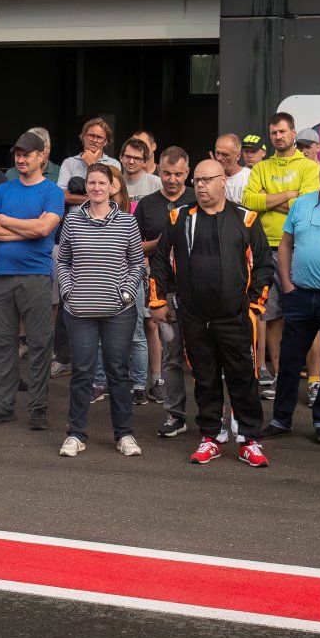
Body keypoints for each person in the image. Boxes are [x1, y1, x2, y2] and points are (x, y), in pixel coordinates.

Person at [148, 159, 271, 467]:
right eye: (197, 181)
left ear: (222, 182)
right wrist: (158, 301)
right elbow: (161, 260)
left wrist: (255, 306)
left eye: (206, 180)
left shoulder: (246, 218)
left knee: (244, 377)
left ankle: (249, 440)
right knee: (205, 377)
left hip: (236, 317)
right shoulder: (179, 217)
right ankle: (210, 437)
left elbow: (264, 265)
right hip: (194, 317)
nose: (200, 185)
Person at [264, 146, 320, 443]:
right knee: (289, 361)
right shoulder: (301, 204)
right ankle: (281, 419)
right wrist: (287, 284)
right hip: (300, 295)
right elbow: (286, 244)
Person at [55, 164, 146, 457]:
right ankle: (76, 434)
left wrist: (126, 291)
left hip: (119, 310)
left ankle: (125, 435)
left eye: (101, 183)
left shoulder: (126, 222)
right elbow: (62, 260)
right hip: (80, 310)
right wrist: (69, 291)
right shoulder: (72, 221)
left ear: (112, 187)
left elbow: (137, 263)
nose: (96, 188)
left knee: (117, 372)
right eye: (92, 183)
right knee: (82, 372)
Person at [0, 134, 66, 430]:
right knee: (2, 345)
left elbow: (45, 228)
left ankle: (38, 409)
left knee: (40, 344)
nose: (21, 158)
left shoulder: (52, 192)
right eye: (18, 153)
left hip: (37, 276)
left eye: (27, 154)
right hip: (2, 276)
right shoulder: (4, 189)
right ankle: (3, 407)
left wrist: (5, 220)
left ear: (42, 156)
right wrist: (27, 230)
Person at [242, 113, 320, 389]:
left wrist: (269, 200)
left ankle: (314, 380)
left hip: (298, 248)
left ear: (293, 133)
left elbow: (306, 206)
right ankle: (281, 377)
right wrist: (289, 195)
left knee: (306, 319)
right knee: (273, 317)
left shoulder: (310, 167)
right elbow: (248, 201)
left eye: (283, 131)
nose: (278, 136)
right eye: (274, 132)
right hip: (265, 249)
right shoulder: (261, 168)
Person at [136, 146, 194, 439]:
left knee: (206, 358)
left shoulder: (198, 198)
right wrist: (160, 242)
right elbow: (134, 247)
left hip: (198, 293)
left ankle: (212, 419)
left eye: (178, 174)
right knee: (172, 357)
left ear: (188, 172)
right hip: (166, 291)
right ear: (158, 170)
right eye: (166, 173)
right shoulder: (147, 203)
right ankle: (175, 415)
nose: (172, 179)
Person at [59, 117, 119, 207]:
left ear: (105, 141)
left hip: (104, 218)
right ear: (83, 136)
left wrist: (92, 165)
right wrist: (98, 197)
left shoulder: (114, 164)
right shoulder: (69, 163)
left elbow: (115, 197)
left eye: (99, 137)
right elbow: (62, 196)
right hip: (76, 218)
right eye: (91, 135)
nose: (94, 140)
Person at [213, 133, 248, 204]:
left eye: (225, 155)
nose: (219, 158)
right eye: (217, 153)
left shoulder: (250, 177)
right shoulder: (211, 178)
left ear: (238, 156)